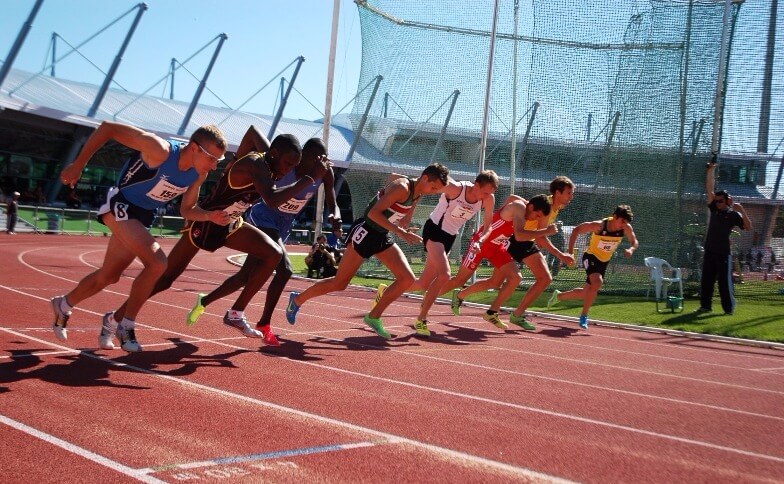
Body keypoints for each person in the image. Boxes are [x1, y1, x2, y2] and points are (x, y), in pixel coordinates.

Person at [113, 131, 327, 346]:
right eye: (287, 164)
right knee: (165, 280)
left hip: (230, 224)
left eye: (292, 166)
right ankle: (116, 318)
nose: (288, 170)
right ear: (273, 153)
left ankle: (236, 313)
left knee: (273, 254)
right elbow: (272, 199)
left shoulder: (272, 164)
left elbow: (253, 132)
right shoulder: (255, 164)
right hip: (206, 222)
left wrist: (233, 161)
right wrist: (310, 178)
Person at [50, 121, 230, 351]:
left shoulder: (198, 175)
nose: (214, 166)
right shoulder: (160, 150)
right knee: (158, 264)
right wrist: (79, 164)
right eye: (211, 158)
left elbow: (187, 209)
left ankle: (64, 305)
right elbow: (107, 128)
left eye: (218, 161)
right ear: (194, 148)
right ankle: (126, 325)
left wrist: (209, 216)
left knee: (108, 276)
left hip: (142, 215)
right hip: (121, 204)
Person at [185, 131, 337, 346]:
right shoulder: (287, 165)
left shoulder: (322, 171)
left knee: (245, 276)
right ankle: (262, 322)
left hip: (284, 224)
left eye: (325, 158)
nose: (322, 162)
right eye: (318, 158)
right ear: (306, 156)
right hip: (264, 216)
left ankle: (205, 301)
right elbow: (272, 193)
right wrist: (235, 162)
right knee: (284, 268)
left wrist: (335, 216)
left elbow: (332, 199)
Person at [285, 164, 450, 338]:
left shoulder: (419, 191)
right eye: (433, 187)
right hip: (366, 232)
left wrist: (405, 222)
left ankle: (373, 316)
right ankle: (297, 300)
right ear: (424, 178)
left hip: (381, 234)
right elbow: (372, 213)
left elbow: (395, 181)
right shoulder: (402, 187)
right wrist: (400, 232)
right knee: (340, 283)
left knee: (406, 279)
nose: (433, 192)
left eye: (436, 190)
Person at [401, 170, 499, 337]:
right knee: (445, 275)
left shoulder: (488, 199)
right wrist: (409, 214)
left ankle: (387, 292)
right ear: (476, 185)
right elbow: (422, 189)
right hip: (434, 230)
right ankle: (421, 319)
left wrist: (480, 241)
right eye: (484, 192)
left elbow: (488, 226)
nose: (487, 196)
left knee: (424, 283)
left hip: (450, 237)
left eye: (490, 193)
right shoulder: (454, 189)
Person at [444, 194, 557, 329]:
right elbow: (520, 236)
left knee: (514, 278)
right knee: (459, 281)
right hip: (481, 244)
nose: (535, 220)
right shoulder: (519, 208)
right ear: (531, 207)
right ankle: (430, 296)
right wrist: (546, 231)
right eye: (537, 216)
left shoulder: (523, 207)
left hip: (497, 246)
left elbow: (510, 197)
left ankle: (489, 311)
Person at [547, 205, 639, 329]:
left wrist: (631, 249)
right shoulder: (599, 225)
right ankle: (584, 316)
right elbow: (576, 230)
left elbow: (634, 241)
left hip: (604, 261)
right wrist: (570, 252)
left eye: (626, 222)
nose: (624, 224)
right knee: (597, 283)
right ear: (615, 217)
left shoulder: (626, 228)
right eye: (622, 221)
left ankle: (558, 296)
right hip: (591, 257)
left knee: (587, 293)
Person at [505, 176, 576, 329]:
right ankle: (515, 314)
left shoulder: (555, 207)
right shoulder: (547, 206)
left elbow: (513, 198)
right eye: (569, 193)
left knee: (544, 278)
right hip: (519, 241)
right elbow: (542, 238)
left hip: (526, 241)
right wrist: (560, 254)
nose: (572, 196)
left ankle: (517, 314)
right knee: (543, 278)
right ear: (558, 193)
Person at [695, 161, 752, 315]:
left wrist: (742, 211)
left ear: (728, 201)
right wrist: (710, 171)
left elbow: (748, 227)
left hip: (723, 254)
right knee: (706, 281)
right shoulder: (715, 210)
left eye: (721, 201)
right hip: (710, 251)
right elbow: (709, 189)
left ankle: (729, 309)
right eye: (717, 201)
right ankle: (705, 306)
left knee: (724, 284)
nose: (717, 203)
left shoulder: (733, 214)